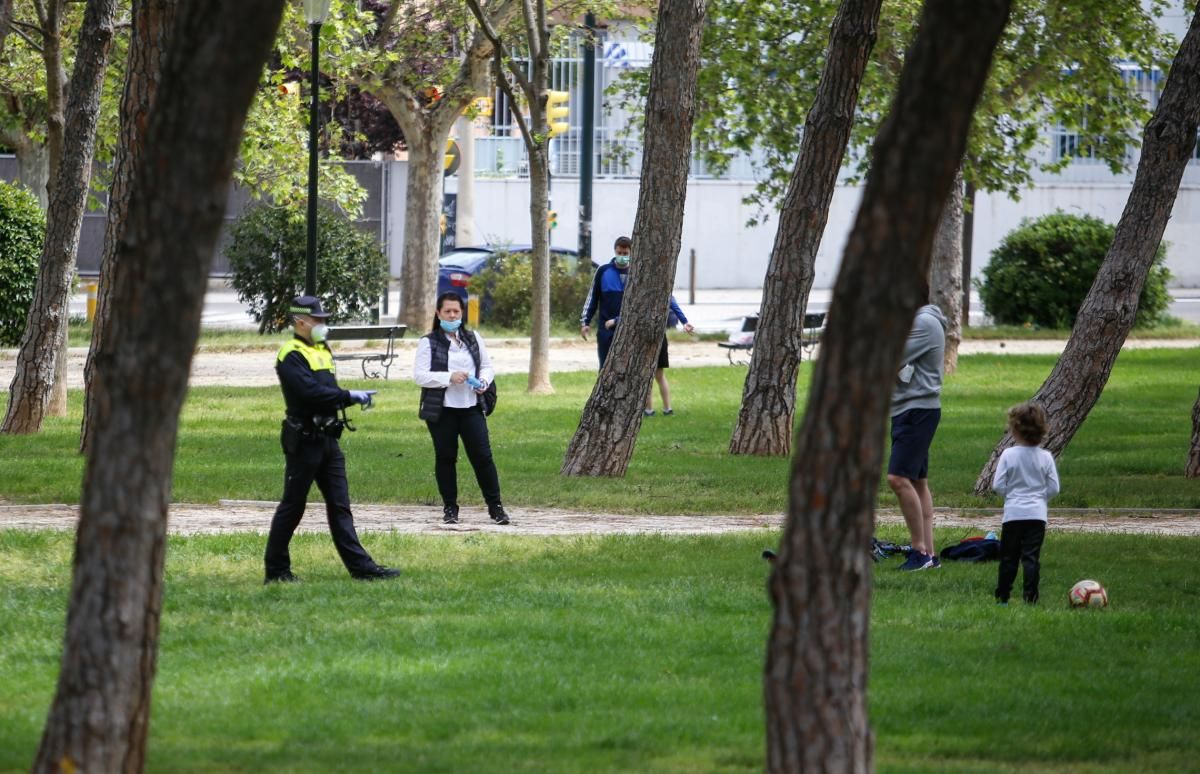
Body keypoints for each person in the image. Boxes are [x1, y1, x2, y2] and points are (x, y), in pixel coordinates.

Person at [264, 295, 400, 583]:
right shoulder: (291, 354)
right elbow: (309, 393)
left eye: (324, 319)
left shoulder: (322, 349)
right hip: (304, 439)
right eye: (317, 320)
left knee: (340, 505)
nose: (322, 324)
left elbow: (327, 389)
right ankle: (276, 571)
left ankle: (362, 569)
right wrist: (348, 396)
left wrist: (343, 398)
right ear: (300, 321)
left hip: (328, 438)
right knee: (293, 506)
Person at [414, 292, 510, 526]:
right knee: (446, 457)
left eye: (456, 311)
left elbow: (487, 366)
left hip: (471, 407)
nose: (452, 315)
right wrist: (449, 377)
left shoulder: (473, 338)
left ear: (462, 313)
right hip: (443, 410)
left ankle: (495, 507)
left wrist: (483, 383)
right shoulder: (428, 342)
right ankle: (450, 508)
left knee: (482, 457)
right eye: (447, 311)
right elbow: (420, 376)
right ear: (438, 314)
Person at [579, 235, 695, 415]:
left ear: (632, 253)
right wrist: (585, 322)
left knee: (630, 372)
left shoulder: (639, 274)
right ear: (615, 251)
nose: (622, 256)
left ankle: (631, 406)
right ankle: (603, 405)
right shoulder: (603, 272)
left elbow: (653, 303)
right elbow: (592, 299)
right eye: (619, 253)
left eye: (626, 253)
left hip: (629, 331)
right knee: (605, 369)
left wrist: (684, 321)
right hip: (606, 331)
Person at [887, 293, 948, 571]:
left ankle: (919, 552)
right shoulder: (918, 321)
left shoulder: (923, 322)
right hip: (910, 408)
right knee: (918, 482)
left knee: (898, 479)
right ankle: (930, 555)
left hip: (916, 410)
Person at [991, 402, 1060, 605]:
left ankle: (1003, 596)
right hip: (1037, 515)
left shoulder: (1008, 454)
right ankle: (1030, 597)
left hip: (1013, 514)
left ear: (1014, 429)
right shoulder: (1046, 457)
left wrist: (1011, 496)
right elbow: (1054, 487)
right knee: (1031, 557)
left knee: (1008, 558)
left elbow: (998, 485)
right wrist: (1039, 499)